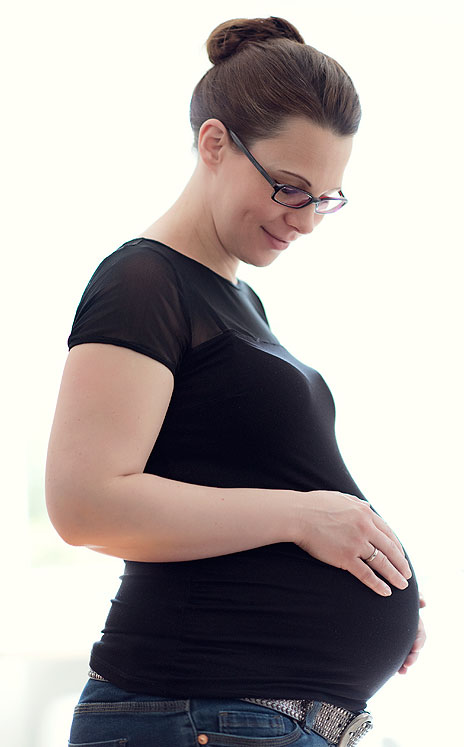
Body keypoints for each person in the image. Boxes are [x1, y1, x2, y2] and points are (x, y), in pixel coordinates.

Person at [47, 17, 422, 747]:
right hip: (198, 708)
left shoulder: (239, 299)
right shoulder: (143, 281)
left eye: (325, 198)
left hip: (242, 714)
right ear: (215, 144)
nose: (306, 221)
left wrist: (372, 559)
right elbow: (83, 503)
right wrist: (305, 519)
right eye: (289, 188)